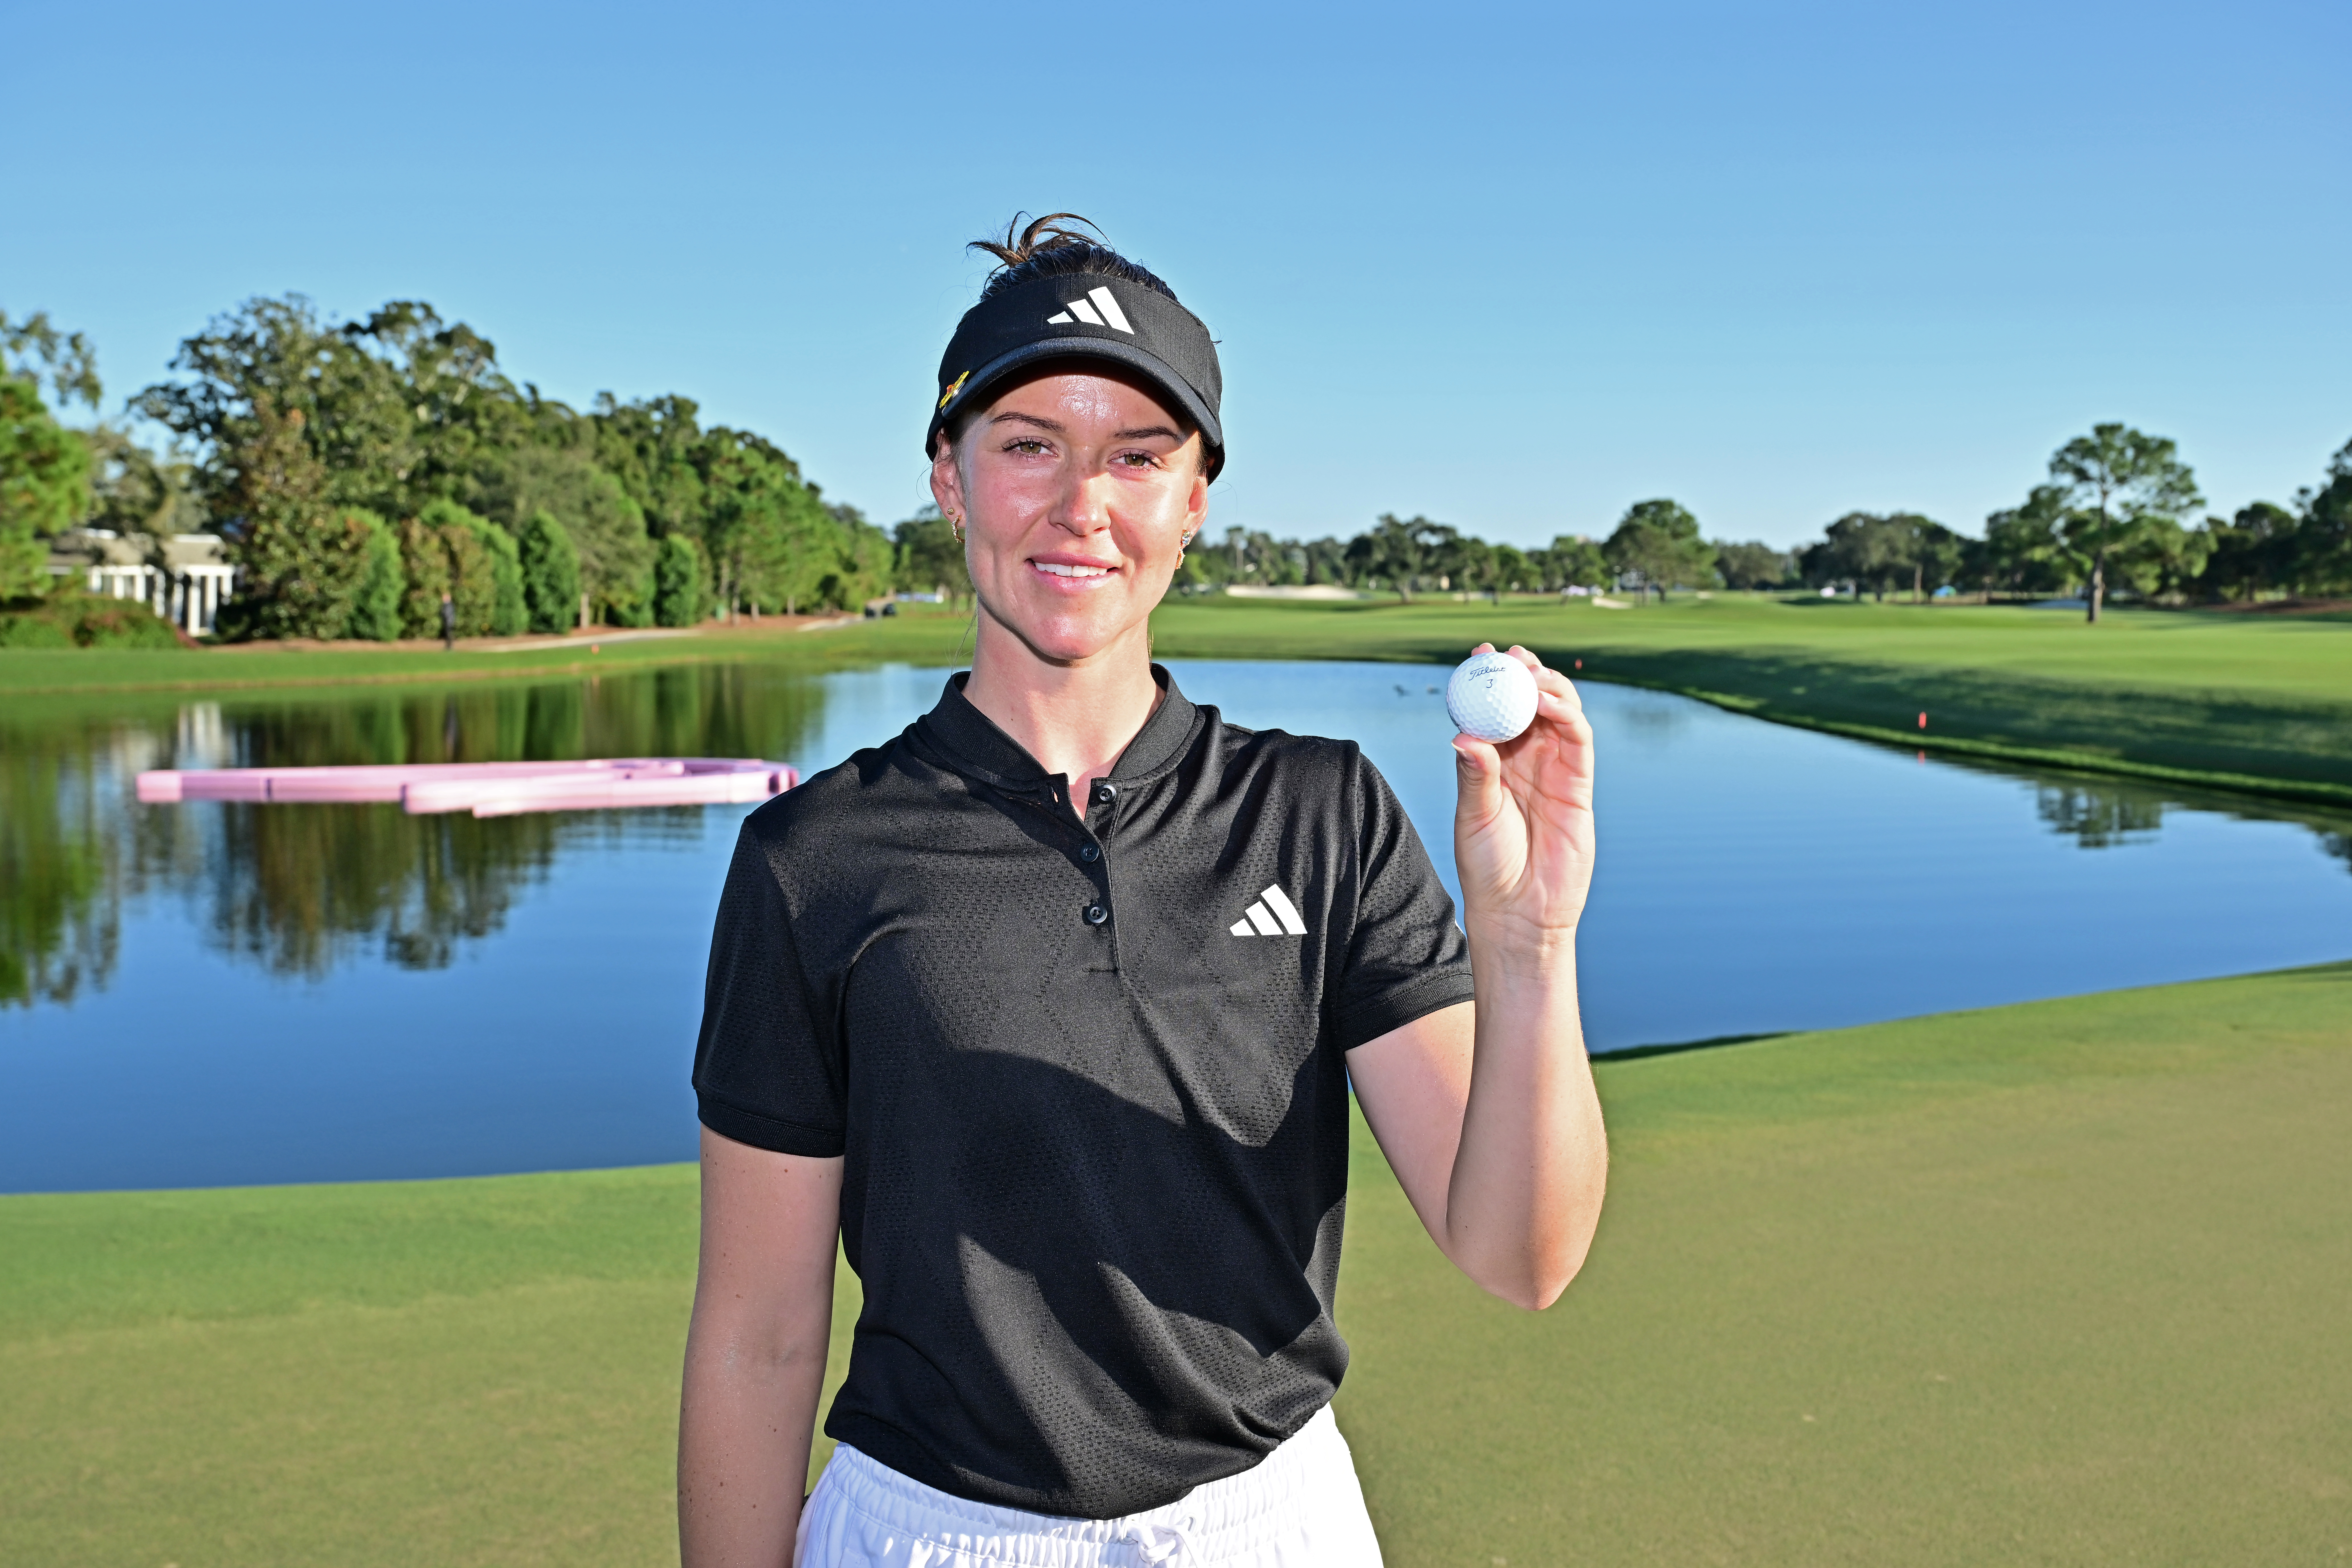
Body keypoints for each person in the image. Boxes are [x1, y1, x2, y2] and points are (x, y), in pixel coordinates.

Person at [680, 215, 1607, 1568]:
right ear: (949, 479)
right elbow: (758, 1333)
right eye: (1028, 445)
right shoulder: (815, 858)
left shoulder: (1323, 811)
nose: (1083, 506)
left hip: (1267, 1526)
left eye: (1137, 455)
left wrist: (1530, 944)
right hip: (930, 1530)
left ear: (1196, 501)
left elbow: (1521, 1256)